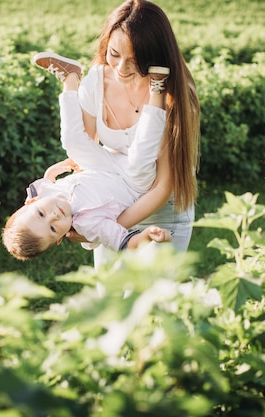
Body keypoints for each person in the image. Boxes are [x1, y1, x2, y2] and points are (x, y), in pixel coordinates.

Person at [2, 53, 173, 260]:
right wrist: (147, 236)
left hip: (101, 166)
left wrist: (52, 172)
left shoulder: (43, 192)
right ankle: (158, 92)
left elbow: (43, 184)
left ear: (32, 202)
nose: (54, 216)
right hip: (132, 181)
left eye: (40, 213)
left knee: (72, 144)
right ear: (60, 238)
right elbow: (124, 243)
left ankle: (71, 78)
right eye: (53, 228)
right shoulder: (89, 225)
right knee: (140, 155)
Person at [69, 0, 201, 268]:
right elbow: (88, 154)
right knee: (108, 301)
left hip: (162, 214)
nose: (121, 68)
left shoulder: (173, 94)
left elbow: (163, 186)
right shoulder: (96, 82)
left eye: (135, 60)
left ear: (156, 56)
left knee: (149, 304)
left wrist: (108, 229)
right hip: (114, 201)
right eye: (114, 54)